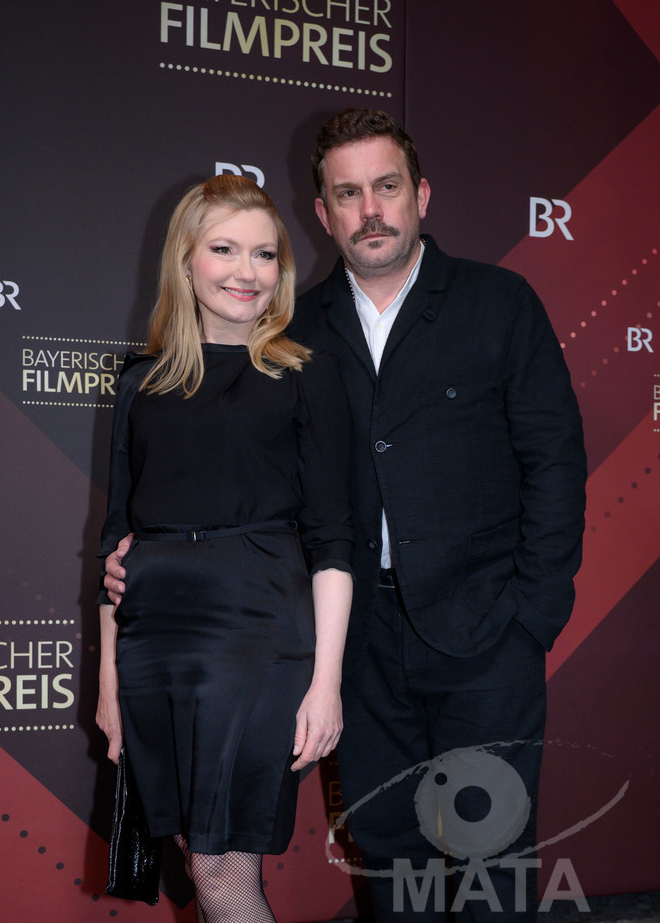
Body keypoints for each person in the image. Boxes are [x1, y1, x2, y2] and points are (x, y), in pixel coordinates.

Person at [105, 111, 587, 922]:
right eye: (346, 194)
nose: (370, 210)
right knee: (387, 856)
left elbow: (555, 462)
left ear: (420, 195)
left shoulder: (498, 304)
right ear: (321, 213)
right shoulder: (291, 333)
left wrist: (531, 613)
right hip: (353, 644)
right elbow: (239, 474)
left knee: (488, 857)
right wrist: (141, 557)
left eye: (386, 188)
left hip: (484, 634)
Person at [96, 174, 353, 923]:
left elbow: (332, 539)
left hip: (255, 632)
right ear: (185, 260)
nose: (247, 271)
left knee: (218, 868)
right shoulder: (140, 385)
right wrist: (109, 688)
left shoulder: (302, 375)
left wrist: (326, 683)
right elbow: (115, 546)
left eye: (264, 254)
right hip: (153, 641)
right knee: (190, 850)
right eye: (224, 249)